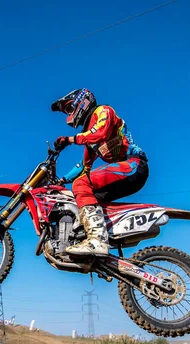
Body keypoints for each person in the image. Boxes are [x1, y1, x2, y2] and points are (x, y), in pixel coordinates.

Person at [51, 88, 148, 256]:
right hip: (122, 173)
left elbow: (100, 133)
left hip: (134, 165)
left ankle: (97, 240)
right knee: (81, 196)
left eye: (68, 109)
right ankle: (96, 239)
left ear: (82, 101)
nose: (68, 115)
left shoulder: (104, 111)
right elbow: (84, 166)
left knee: (81, 184)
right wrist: (61, 180)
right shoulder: (89, 137)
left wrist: (70, 140)